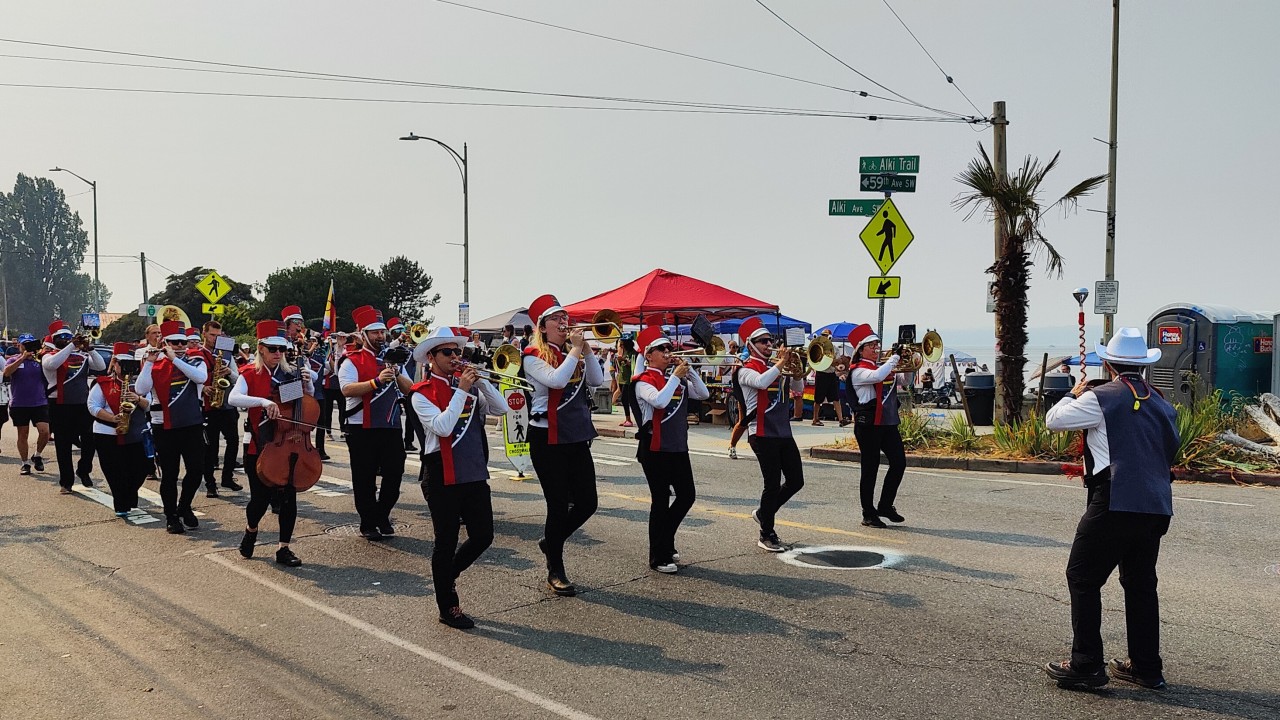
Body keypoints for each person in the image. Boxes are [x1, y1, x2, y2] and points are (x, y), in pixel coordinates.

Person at [1043, 328, 1179, 691]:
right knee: (1140, 584)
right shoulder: (1162, 402)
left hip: (1114, 499)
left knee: (1083, 577)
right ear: (1144, 366)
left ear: (1108, 362)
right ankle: (1147, 667)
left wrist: (1072, 394)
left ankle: (1086, 663)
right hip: (1156, 504)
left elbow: (1053, 421)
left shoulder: (1101, 398)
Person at [409, 326, 505, 629]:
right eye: (447, 352)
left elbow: (501, 409)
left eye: (457, 351)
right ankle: (447, 606)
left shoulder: (468, 386)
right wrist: (462, 389)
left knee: (483, 535)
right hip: (441, 473)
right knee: (446, 541)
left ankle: (447, 575)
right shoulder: (420, 394)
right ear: (431, 357)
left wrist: (483, 382)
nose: (455, 357)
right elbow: (443, 427)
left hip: (473, 470)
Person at [522, 294, 605, 596]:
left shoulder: (575, 353)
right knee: (557, 505)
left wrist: (586, 351)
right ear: (542, 327)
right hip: (547, 439)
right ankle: (555, 568)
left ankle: (550, 540)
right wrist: (575, 351)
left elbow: (596, 380)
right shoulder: (532, 355)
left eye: (564, 317)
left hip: (576, 435)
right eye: (556, 318)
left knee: (587, 502)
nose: (563, 322)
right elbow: (556, 381)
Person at [227, 320, 314, 567]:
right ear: (261, 348)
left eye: (282, 349)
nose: (278, 354)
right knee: (260, 499)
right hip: (260, 445)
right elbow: (234, 397)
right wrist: (264, 402)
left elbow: (300, 406)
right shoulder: (249, 374)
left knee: (289, 498)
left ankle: (283, 548)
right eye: (273, 349)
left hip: (290, 443)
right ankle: (251, 530)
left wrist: (307, 383)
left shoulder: (289, 373)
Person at [632, 327, 708, 573]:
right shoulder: (643, 381)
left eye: (668, 348)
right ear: (648, 355)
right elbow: (660, 401)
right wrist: (675, 376)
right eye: (661, 349)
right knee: (660, 501)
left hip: (677, 446)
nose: (667, 352)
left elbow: (703, 393)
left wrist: (690, 370)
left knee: (687, 496)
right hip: (654, 448)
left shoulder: (676, 378)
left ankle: (667, 539)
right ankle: (658, 555)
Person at [339, 306, 415, 541]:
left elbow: (410, 388)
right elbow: (346, 389)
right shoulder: (351, 361)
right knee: (364, 477)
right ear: (363, 335)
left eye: (382, 332)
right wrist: (375, 382)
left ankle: (382, 513)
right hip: (361, 426)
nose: (380, 337)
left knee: (395, 473)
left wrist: (395, 372)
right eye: (375, 333)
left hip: (390, 424)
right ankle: (368, 522)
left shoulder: (393, 360)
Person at [733, 317, 804, 552]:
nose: (768, 344)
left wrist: (797, 369)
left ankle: (764, 513)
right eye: (762, 341)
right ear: (750, 344)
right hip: (761, 433)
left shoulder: (777, 367)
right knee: (772, 484)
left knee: (796, 481)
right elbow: (762, 383)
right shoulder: (745, 370)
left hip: (783, 431)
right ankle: (766, 533)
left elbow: (798, 390)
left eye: (769, 340)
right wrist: (782, 363)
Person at [135, 320, 209, 534]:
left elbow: (201, 378)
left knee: (196, 470)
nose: (179, 345)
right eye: (174, 342)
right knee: (169, 474)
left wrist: (175, 358)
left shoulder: (195, 359)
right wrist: (149, 361)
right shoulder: (155, 363)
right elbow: (141, 388)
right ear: (165, 342)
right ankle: (171, 516)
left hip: (192, 423)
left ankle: (184, 507)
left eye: (182, 342)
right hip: (164, 426)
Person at [847, 324, 908, 529]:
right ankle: (868, 513)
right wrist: (895, 358)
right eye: (871, 345)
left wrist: (912, 361)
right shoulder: (858, 371)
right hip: (869, 425)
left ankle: (885, 505)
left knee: (899, 463)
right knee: (870, 469)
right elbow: (878, 377)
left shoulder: (882, 367)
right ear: (860, 350)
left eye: (877, 345)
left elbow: (904, 379)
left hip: (888, 423)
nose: (876, 348)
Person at [87, 343, 150, 517]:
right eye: (123, 363)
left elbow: (149, 406)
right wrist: (113, 418)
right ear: (115, 363)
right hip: (107, 432)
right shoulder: (103, 383)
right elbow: (92, 406)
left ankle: (130, 494)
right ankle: (121, 504)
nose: (128, 369)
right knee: (115, 471)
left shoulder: (140, 384)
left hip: (135, 433)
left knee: (141, 467)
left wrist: (137, 398)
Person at [42, 320, 105, 490]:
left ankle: (84, 470)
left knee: (89, 441)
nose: (67, 339)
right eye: (62, 337)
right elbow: (53, 364)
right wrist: (71, 346)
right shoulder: (48, 356)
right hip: (59, 405)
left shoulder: (83, 356)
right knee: (63, 444)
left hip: (82, 404)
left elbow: (101, 366)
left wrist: (89, 349)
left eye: (69, 337)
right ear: (55, 340)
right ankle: (66, 480)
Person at [198, 320, 242, 497]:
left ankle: (227, 477)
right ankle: (210, 483)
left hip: (227, 405)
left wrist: (228, 372)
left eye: (218, 335)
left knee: (233, 441)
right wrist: (203, 388)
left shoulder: (226, 353)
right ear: (204, 334)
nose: (215, 339)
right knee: (210, 447)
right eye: (212, 335)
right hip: (209, 407)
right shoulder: (197, 354)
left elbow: (238, 378)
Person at [5, 334, 51, 477]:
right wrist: (22, 358)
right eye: (25, 344)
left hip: (39, 402)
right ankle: (25, 463)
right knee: (23, 434)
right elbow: (7, 373)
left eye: (30, 344)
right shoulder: (14, 359)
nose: (28, 346)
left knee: (45, 432)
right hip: (20, 403)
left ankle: (37, 455)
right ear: (19, 346)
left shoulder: (40, 360)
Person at [811, 330, 847, 427]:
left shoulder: (834, 348)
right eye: (823, 335)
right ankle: (815, 419)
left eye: (826, 335)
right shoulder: (818, 347)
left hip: (831, 374)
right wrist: (832, 361)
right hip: (821, 374)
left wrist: (830, 361)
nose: (824, 337)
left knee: (835, 397)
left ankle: (841, 420)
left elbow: (839, 361)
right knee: (818, 399)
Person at [611, 335, 636, 428]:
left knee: (626, 399)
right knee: (624, 399)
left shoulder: (633, 353)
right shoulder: (623, 352)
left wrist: (624, 360)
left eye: (621, 343)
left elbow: (633, 364)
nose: (620, 345)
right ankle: (627, 419)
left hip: (629, 380)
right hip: (622, 379)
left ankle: (629, 419)